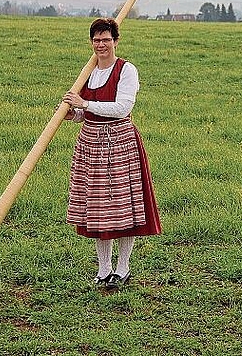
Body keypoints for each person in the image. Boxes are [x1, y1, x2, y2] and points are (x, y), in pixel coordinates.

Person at [62, 17, 161, 289]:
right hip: (91, 144)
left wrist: (86, 103)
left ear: (116, 41)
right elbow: (86, 113)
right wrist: (74, 113)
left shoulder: (127, 70)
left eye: (106, 40)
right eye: (96, 40)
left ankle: (123, 267)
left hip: (119, 141)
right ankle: (104, 269)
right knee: (98, 208)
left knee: (122, 208)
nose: (101, 45)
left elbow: (122, 108)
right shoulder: (89, 71)